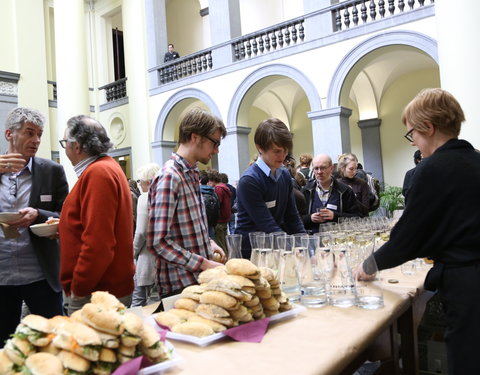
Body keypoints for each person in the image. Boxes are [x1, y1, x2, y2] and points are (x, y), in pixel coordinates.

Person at [357, 88, 480, 375]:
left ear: (428, 127)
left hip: (467, 283)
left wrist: (368, 265)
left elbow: (408, 238)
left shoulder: (432, 169)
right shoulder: (475, 159)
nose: (413, 142)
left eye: (412, 133)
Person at [0, 107, 68, 346]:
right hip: (2, 276)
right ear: (10, 134)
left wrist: (39, 214)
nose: (36, 140)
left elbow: (66, 215)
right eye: (29, 133)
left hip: (41, 275)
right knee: (5, 347)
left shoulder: (51, 171)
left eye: (39, 134)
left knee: (53, 342)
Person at [59, 115, 135, 314]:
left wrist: (78, 288)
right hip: (103, 289)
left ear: (76, 146)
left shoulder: (98, 173)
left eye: (64, 143)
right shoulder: (106, 167)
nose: (64, 148)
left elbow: (98, 242)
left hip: (96, 292)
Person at [148, 108, 226, 299]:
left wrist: (209, 242)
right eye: (214, 143)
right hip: (179, 286)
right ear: (195, 137)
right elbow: (158, 242)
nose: (216, 150)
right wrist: (204, 263)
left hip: (197, 281)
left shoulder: (191, 174)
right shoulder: (170, 177)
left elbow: (185, 226)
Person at [235, 118, 305, 259]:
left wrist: (307, 246)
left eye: (286, 151)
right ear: (260, 147)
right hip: (251, 253)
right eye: (277, 151)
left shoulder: (284, 174)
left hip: (275, 247)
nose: (283, 156)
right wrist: (293, 248)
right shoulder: (250, 180)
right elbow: (266, 224)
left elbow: (292, 217)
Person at [301, 154, 361, 233]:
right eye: (316, 168)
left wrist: (335, 216)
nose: (319, 172)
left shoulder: (345, 191)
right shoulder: (305, 191)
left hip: (339, 239)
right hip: (313, 239)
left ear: (331, 168)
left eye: (323, 168)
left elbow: (357, 218)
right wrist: (310, 218)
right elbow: (294, 219)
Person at [132, 163, 161, 307]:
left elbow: (141, 231)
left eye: (140, 181)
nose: (139, 185)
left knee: (138, 302)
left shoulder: (145, 198)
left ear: (148, 182)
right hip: (163, 258)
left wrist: (132, 253)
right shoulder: (164, 194)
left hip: (147, 258)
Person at [208, 170, 231, 253]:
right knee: (224, 243)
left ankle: (224, 263)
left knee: (220, 246)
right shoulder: (224, 188)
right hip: (225, 219)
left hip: (219, 221)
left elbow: (216, 205)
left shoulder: (218, 189)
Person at [199, 170, 220, 239]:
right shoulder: (213, 193)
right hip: (211, 225)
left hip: (200, 225)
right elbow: (217, 208)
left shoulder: (196, 193)